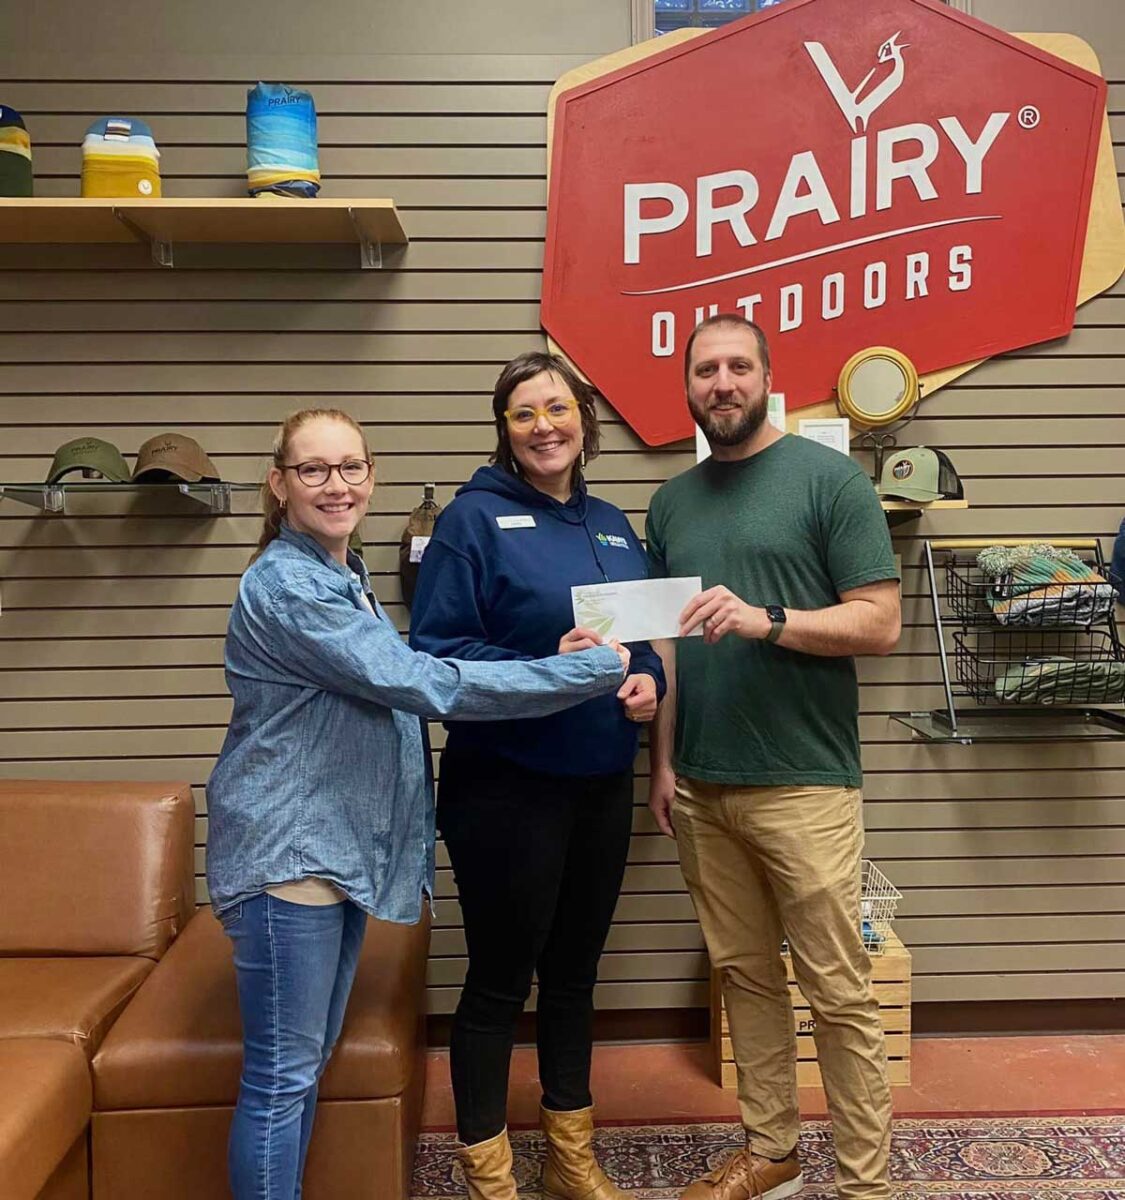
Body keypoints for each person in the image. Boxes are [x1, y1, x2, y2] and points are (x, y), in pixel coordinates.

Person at [205, 407, 632, 1200]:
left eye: (351, 467)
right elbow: (427, 683)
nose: (337, 485)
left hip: (329, 853)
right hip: (289, 857)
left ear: (371, 475)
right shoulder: (292, 586)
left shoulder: (343, 575)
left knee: (303, 1065)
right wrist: (582, 675)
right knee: (281, 1078)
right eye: (314, 470)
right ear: (279, 484)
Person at [645, 316, 901, 1200]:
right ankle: (773, 1151)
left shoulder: (829, 483)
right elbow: (666, 648)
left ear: (766, 378)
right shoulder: (670, 503)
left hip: (804, 783)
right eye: (705, 369)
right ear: (687, 386)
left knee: (838, 993)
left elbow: (879, 621)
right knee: (744, 978)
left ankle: (866, 1184)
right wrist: (662, 763)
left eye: (737, 367)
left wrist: (770, 621)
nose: (721, 382)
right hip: (704, 788)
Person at [409, 352, 666, 1200]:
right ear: (505, 430)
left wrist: (646, 685)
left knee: (574, 975)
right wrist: (539, 661)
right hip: (505, 789)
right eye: (524, 413)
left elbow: (646, 645)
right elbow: (438, 658)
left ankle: (569, 1154)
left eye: (557, 409)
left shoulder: (613, 526)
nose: (544, 426)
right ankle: (488, 1169)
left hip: (599, 783)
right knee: (495, 981)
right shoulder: (470, 522)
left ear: (584, 421)